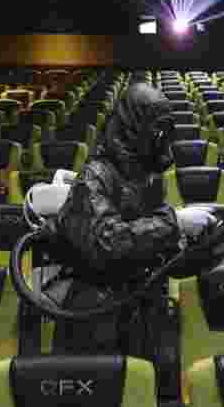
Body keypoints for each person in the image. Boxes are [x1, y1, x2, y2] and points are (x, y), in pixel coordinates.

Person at [43, 81, 183, 354]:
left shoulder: (147, 179)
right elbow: (107, 244)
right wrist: (173, 224)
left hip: (140, 311)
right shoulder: (95, 177)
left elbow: (160, 249)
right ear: (134, 127)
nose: (162, 138)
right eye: (157, 128)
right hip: (95, 318)